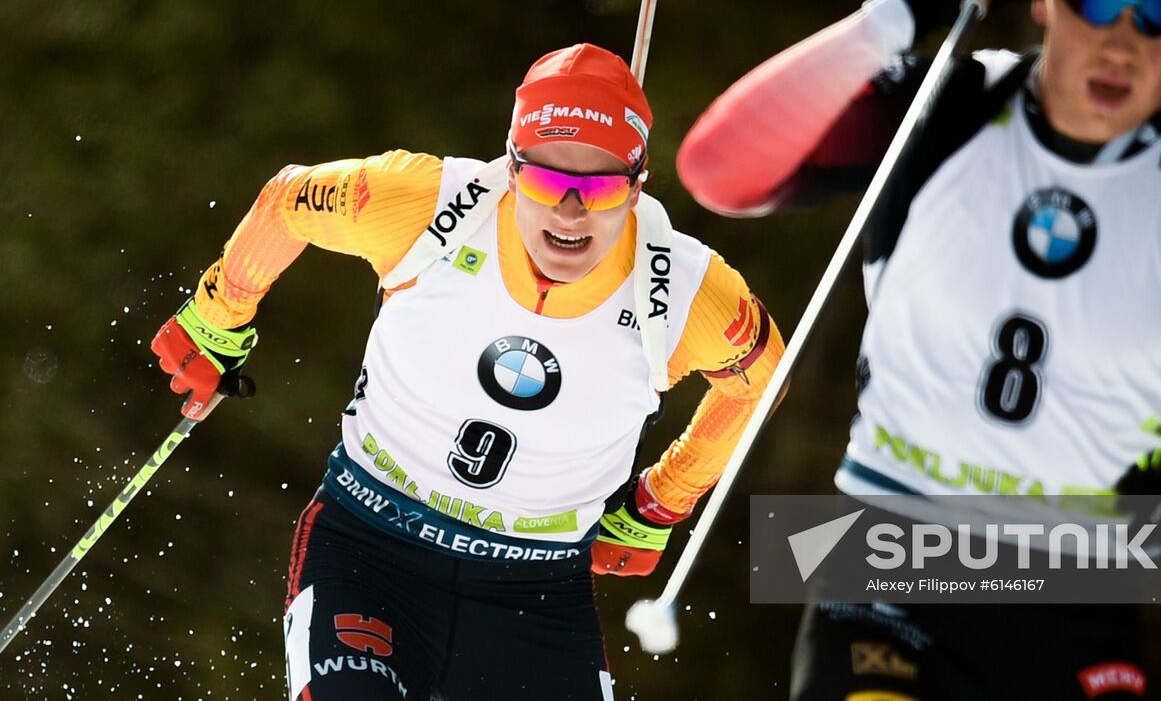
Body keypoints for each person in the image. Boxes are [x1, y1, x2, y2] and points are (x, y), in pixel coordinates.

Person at [678, 0, 1161, 700]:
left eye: (1156, 14)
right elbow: (718, 170)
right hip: (888, 553)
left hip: (1080, 590)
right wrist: (908, 7)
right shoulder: (946, 105)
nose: (1122, 44)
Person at [150, 43, 784, 700]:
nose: (570, 212)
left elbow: (762, 381)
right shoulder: (426, 203)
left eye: (599, 187)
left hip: (533, 595)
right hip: (372, 549)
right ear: (512, 169)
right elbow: (290, 202)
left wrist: (663, 498)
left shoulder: (682, 289)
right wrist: (216, 318)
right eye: (545, 181)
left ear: (637, 184)